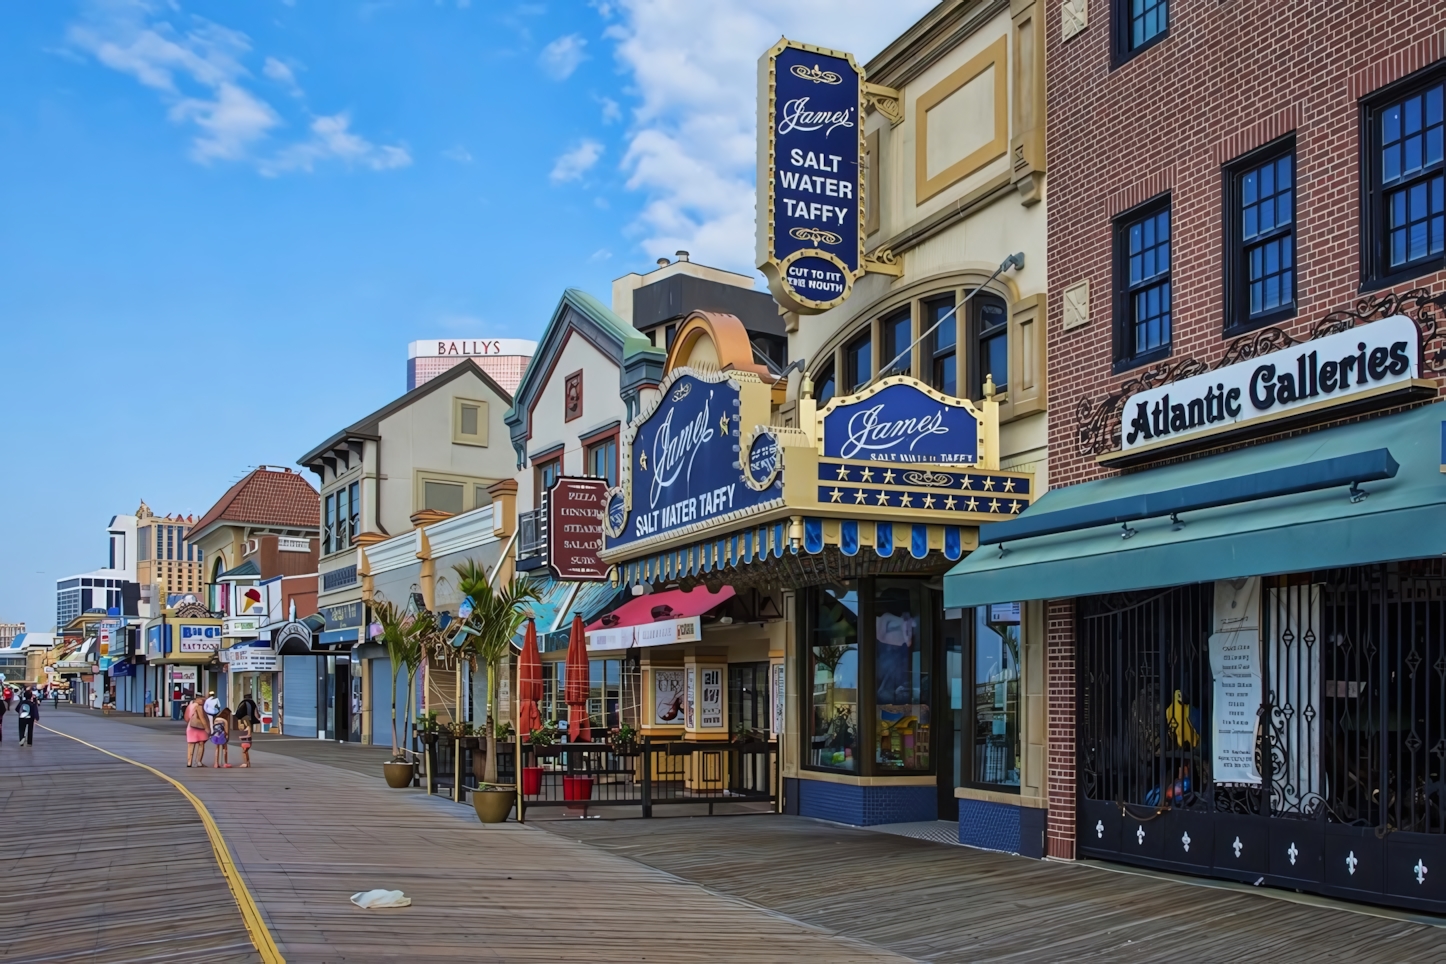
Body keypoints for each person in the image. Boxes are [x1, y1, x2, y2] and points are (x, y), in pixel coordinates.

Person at [185, 694, 209, 767]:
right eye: (203, 700)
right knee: (201, 743)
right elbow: (202, 718)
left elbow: (186, 717)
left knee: (190, 744)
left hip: (190, 727)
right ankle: (198, 761)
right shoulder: (198, 707)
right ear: (198, 699)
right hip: (200, 727)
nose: (204, 701)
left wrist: (191, 721)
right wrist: (206, 728)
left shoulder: (190, 705)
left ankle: (189, 762)